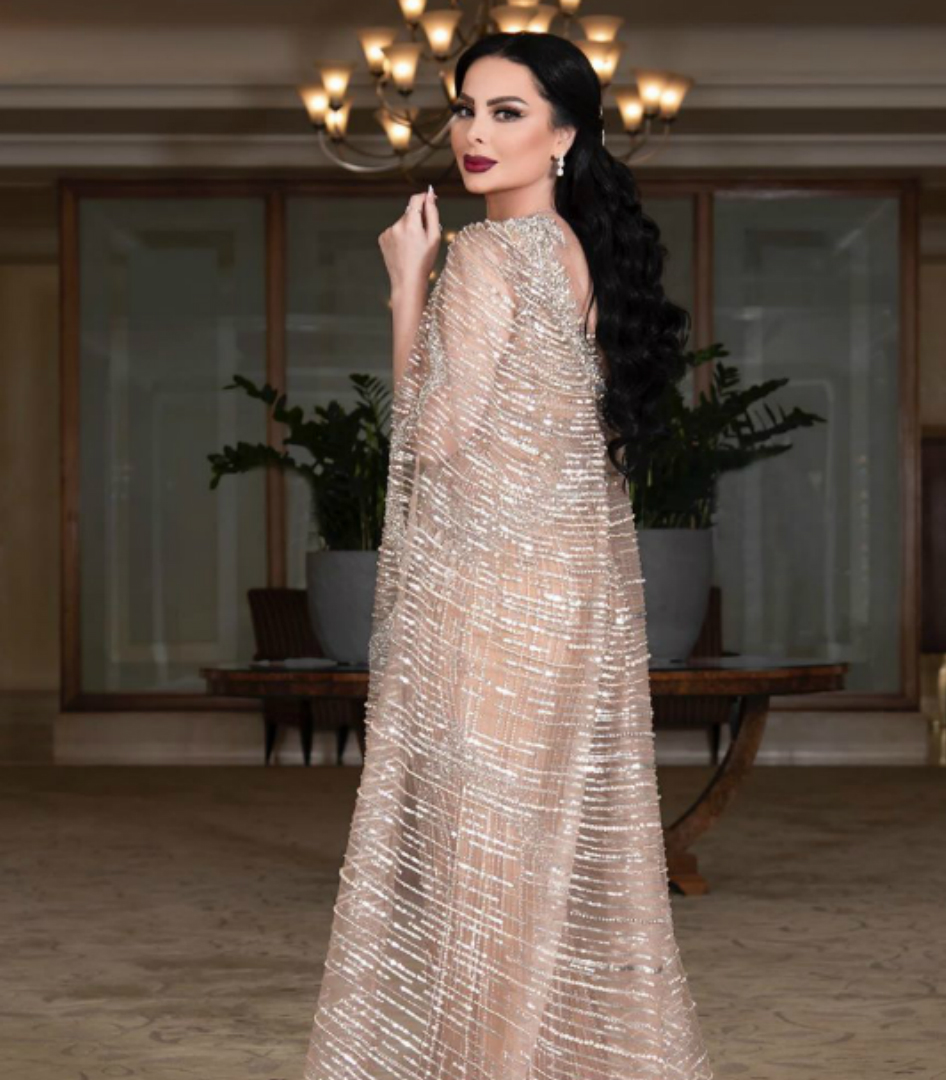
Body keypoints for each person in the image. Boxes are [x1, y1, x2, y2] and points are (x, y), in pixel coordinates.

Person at [302, 31, 712, 1080]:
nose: (473, 135)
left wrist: (407, 285)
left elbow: (431, 439)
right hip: (567, 600)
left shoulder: (488, 254)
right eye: (465, 109)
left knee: (477, 872)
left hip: (485, 604)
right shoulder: (576, 253)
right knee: (532, 862)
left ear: (564, 135)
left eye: (507, 112)